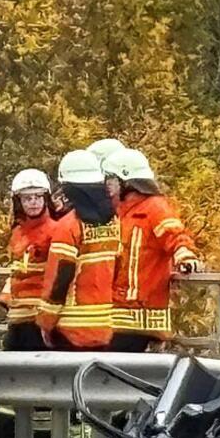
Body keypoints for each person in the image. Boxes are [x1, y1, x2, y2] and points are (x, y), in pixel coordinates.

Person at [104, 147, 200, 351]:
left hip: (142, 314)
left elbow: (175, 235)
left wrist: (185, 256)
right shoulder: (122, 213)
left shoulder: (155, 207)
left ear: (126, 181)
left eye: (111, 178)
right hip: (120, 312)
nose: (107, 184)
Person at [38, 149, 120, 351]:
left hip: (70, 330)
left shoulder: (68, 226)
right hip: (109, 328)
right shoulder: (117, 223)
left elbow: (59, 278)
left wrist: (45, 321)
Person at [0, 168, 73, 352]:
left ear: (45, 199)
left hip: (40, 318)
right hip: (17, 316)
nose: (33, 202)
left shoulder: (56, 230)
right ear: (19, 202)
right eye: (27, 198)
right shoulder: (17, 233)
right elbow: (16, 271)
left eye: (38, 197)